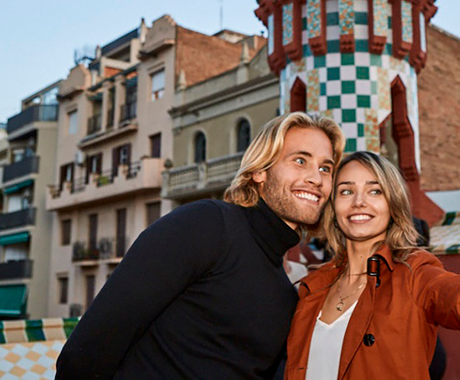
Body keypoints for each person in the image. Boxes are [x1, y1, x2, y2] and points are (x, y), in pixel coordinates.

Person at [56, 112, 345, 379]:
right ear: (260, 171)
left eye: (325, 168)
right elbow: (90, 346)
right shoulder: (207, 225)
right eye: (300, 160)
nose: (315, 178)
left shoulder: (285, 293)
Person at [284, 150, 460, 379]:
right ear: (333, 206)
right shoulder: (314, 285)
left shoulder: (415, 274)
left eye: (375, 191)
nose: (359, 201)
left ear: (393, 204)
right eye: (346, 191)